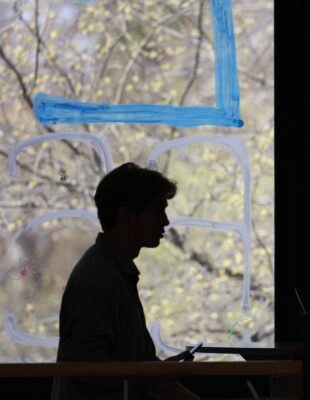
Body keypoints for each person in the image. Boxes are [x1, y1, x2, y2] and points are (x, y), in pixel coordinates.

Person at [51, 163, 200, 400]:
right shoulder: (99, 276)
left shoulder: (109, 270)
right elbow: (87, 367)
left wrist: (157, 371)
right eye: (158, 209)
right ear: (127, 217)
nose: (165, 220)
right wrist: (154, 375)